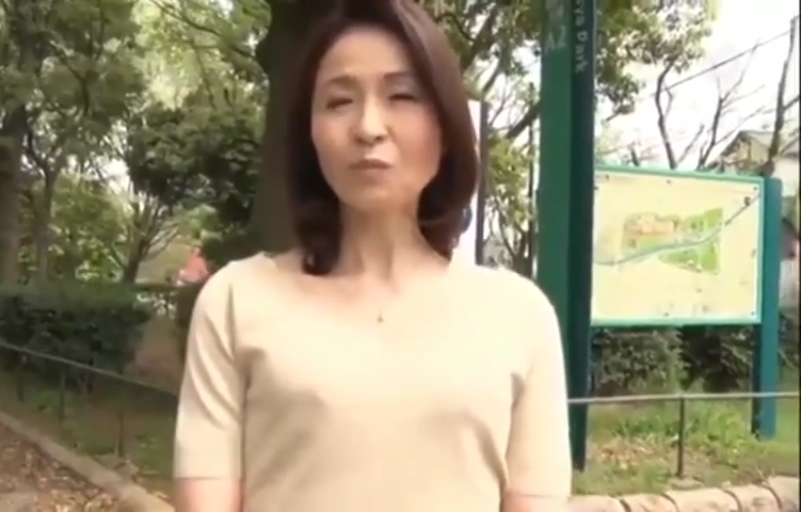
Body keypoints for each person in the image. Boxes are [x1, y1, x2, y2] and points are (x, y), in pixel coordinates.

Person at [173, 0, 572, 511]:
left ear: (446, 128)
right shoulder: (235, 300)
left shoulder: (520, 316)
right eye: (339, 101)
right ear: (309, 134)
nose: (368, 126)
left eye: (401, 95)